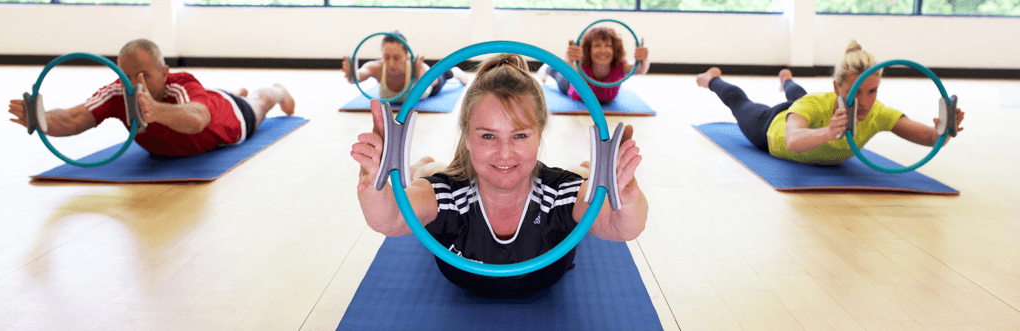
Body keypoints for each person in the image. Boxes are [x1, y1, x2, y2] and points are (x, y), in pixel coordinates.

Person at [351, 54, 649, 296]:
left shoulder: (562, 193)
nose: (505, 153)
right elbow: (389, 219)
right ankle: (424, 165)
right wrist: (372, 185)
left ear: (539, 134)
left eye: (519, 135)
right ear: (466, 137)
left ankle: (585, 165)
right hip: (454, 180)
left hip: (552, 188)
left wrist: (627, 197)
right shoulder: (445, 195)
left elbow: (621, 227)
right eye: (488, 136)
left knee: (579, 175)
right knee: (430, 172)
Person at [7, 39, 296, 157]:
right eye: (127, 75)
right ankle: (234, 90)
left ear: (164, 71)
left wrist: (155, 111)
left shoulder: (180, 84)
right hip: (205, 101)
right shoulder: (118, 91)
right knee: (218, 95)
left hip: (229, 118)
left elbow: (198, 119)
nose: (135, 84)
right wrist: (41, 119)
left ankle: (275, 90)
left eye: (144, 74)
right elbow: (74, 117)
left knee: (259, 102)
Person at [696, 40, 965, 165]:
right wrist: (829, 132)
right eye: (855, 92)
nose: (864, 102)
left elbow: (930, 138)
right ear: (837, 87)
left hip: (808, 115)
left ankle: (786, 79)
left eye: (872, 92)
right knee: (738, 102)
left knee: (799, 96)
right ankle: (711, 79)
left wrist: (945, 129)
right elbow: (792, 141)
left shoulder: (879, 114)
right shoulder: (814, 105)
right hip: (770, 128)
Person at [342, 31, 469, 103]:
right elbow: (359, 76)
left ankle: (455, 72)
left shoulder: (416, 66)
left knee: (440, 73)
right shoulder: (377, 68)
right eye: (386, 57)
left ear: (407, 54)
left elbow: (434, 82)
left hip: (429, 92)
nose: (391, 63)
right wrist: (352, 74)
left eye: (396, 57)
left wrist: (420, 75)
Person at [536, 27, 649, 103]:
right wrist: (569, 58)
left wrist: (643, 60)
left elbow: (641, 70)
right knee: (559, 73)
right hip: (572, 90)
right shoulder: (582, 66)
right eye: (597, 46)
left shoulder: (620, 65)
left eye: (608, 46)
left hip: (604, 99)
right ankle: (547, 67)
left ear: (615, 49)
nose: (603, 50)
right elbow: (569, 71)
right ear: (588, 50)